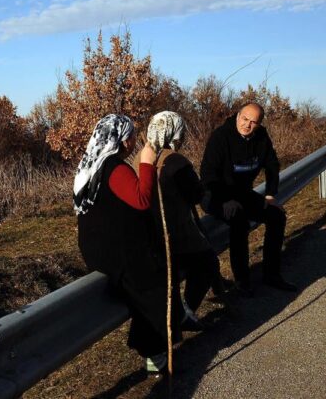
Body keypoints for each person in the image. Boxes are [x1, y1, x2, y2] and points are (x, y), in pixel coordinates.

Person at [74, 114, 168, 372]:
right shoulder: (115, 168)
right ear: (122, 140)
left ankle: (154, 341)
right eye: (132, 135)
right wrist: (147, 164)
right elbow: (141, 200)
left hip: (98, 247)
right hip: (117, 254)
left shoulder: (90, 165)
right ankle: (152, 351)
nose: (135, 140)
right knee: (152, 286)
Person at [199, 102, 296, 295]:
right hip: (214, 194)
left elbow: (272, 165)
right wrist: (225, 199)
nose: (247, 125)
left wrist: (270, 195)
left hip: (242, 193)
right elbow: (208, 174)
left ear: (259, 124)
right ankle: (242, 281)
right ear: (237, 116)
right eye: (245, 119)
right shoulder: (220, 137)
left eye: (253, 122)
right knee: (239, 220)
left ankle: (272, 274)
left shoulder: (261, 137)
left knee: (277, 216)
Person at [147, 111, 224, 336]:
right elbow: (196, 194)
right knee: (207, 262)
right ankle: (186, 312)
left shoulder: (140, 158)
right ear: (176, 133)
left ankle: (180, 313)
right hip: (176, 231)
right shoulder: (175, 161)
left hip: (150, 233)